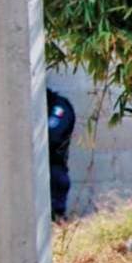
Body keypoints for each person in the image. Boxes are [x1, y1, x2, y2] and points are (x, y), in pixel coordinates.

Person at [47, 88, 76, 220]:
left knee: (55, 217)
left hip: (54, 171)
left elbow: (53, 136)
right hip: (39, 174)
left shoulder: (59, 107)